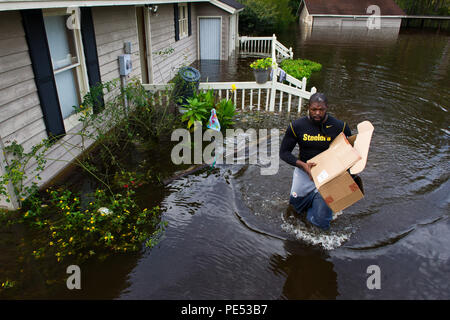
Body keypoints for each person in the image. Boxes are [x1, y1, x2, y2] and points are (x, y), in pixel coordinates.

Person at [279, 93, 352, 230]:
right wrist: (302, 165)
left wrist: (346, 177)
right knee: (294, 212)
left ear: (327, 108)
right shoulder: (296, 126)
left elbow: (350, 152)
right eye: (314, 109)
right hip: (304, 173)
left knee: (320, 220)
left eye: (321, 110)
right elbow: (284, 153)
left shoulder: (340, 127)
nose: (317, 113)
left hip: (328, 176)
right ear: (308, 108)